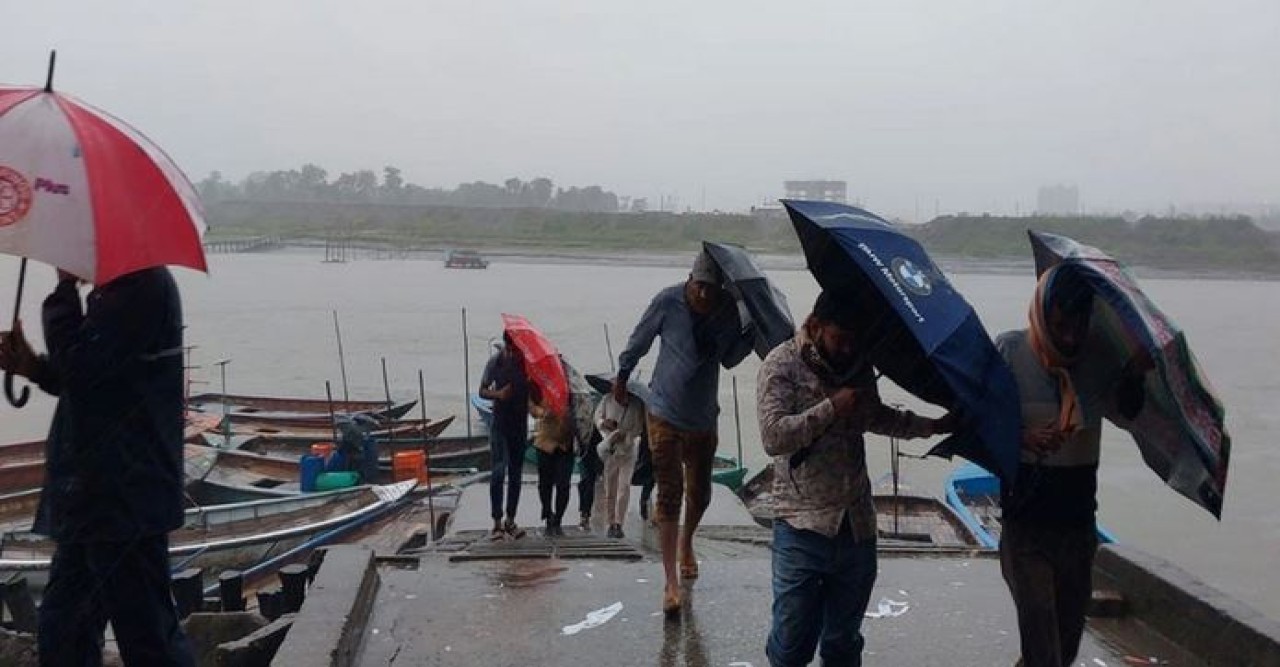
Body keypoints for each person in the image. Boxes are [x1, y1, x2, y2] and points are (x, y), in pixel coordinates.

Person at [0, 266, 195, 666]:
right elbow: (92, 378)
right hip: (91, 496)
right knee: (63, 629)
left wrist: (64, 291)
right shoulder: (113, 293)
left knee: (146, 635)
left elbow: (80, 366)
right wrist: (32, 367)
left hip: (126, 496)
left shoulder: (142, 287)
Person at [756, 291, 955, 667]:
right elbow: (773, 437)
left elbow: (874, 417)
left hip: (857, 525)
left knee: (843, 641)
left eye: (853, 340)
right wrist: (831, 407)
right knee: (792, 642)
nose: (847, 348)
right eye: (839, 338)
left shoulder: (858, 365)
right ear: (815, 326)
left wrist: (929, 426)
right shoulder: (780, 365)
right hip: (802, 523)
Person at [997, 266, 1148, 667]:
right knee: (1042, 646)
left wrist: (1135, 374)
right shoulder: (1010, 352)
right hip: (1025, 527)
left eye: (1079, 326)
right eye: (1060, 325)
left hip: (1078, 528)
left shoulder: (1098, 359)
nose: (1070, 338)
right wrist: (1021, 438)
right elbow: (980, 425)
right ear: (1042, 315)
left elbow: (1127, 412)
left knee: (1062, 650)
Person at [613, 250, 754, 615]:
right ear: (690, 280)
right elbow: (641, 337)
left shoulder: (728, 310)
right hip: (663, 412)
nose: (704, 295)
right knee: (669, 494)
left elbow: (731, 357)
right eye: (699, 286)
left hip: (703, 417)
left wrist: (750, 329)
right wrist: (623, 373)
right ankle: (670, 583)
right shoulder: (668, 300)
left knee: (701, 492)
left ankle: (686, 542)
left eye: (711, 289)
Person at [478, 333, 530, 540]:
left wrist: (531, 384)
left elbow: (536, 394)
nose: (512, 352)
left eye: (516, 349)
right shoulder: (495, 362)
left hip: (519, 423)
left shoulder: (527, 364)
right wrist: (498, 395)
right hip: (499, 423)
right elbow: (482, 390)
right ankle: (497, 522)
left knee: (516, 474)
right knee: (498, 472)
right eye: (510, 348)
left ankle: (511, 520)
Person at [594, 388, 645, 538]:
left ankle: (618, 523)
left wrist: (626, 436)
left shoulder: (636, 404)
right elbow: (597, 418)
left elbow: (639, 427)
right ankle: (610, 522)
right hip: (610, 449)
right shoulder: (606, 399)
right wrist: (605, 424)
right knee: (610, 487)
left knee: (624, 486)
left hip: (628, 451)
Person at [529, 387, 575, 537]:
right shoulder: (541, 387)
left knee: (563, 484)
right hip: (545, 443)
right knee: (545, 484)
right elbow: (531, 407)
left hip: (565, 444)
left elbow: (581, 413)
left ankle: (558, 519)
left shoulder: (571, 390)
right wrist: (542, 413)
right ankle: (548, 513)